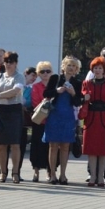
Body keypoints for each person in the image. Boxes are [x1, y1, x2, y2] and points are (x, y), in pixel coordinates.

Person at [80, 56, 105, 187]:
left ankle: (101, 176)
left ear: (104, 70)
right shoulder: (87, 83)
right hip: (90, 118)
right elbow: (82, 99)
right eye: (95, 68)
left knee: (104, 149)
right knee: (91, 149)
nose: (97, 70)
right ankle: (93, 176)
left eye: (100, 68)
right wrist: (84, 98)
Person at [43, 57, 82, 185]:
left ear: (76, 69)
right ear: (64, 66)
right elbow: (46, 93)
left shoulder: (77, 82)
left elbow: (78, 102)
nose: (71, 68)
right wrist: (56, 91)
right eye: (69, 65)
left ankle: (63, 175)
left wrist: (73, 93)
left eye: (74, 66)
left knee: (65, 146)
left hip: (68, 116)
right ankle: (52, 175)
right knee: (53, 145)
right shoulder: (55, 78)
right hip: (54, 114)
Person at [0, 51, 24, 183]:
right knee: (1, 144)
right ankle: (3, 172)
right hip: (0, 111)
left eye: (11, 62)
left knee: (15, 144)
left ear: (16, 63)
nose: (9, 64)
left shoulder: (19, 77)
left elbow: (16, 91)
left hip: (14, 111)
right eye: (7, 62)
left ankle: (15, 172)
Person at [28, 64, 50, 182]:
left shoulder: (54, 86)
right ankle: (36, 171)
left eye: (48, 71)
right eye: (42, 71)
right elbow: (35, 102)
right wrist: (46, 104)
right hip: (39, 120)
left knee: (49, 147)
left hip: (51, 121)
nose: (45, 74)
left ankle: (49, 171)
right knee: (36, 146)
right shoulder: (36, 86)